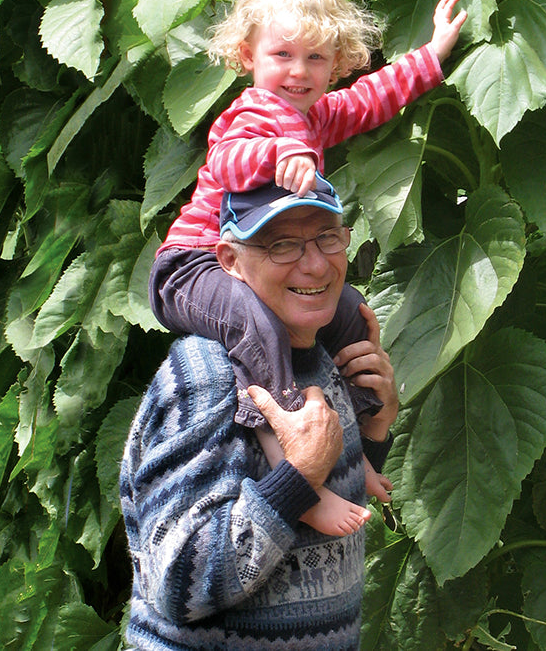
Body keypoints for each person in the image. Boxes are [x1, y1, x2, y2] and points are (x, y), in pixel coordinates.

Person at [149, 0, 466, 534]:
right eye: (283, 55)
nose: (299, 72)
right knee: (257, 325)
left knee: (350, 312)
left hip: (254, 262)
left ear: (337, 61)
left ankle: (362, 450)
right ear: (248, 56)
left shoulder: (313, 116)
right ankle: (296, 472)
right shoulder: (251, 114)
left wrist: (434, 52)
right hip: (194, 264)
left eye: (317, 59)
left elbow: (375, 97)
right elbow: (226, 162)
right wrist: (276, 157)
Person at [120, 178, 397, 651]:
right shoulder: (205, 377)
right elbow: (177, 581)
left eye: (327, 237)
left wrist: (375, 427)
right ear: (230, 261)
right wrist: (300, 475)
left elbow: (326, 514)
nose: (314, 264)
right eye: (282, 245)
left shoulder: (320, 356)